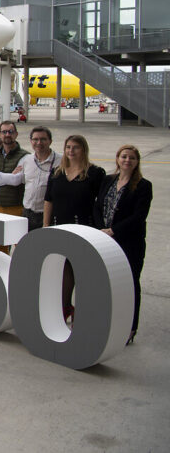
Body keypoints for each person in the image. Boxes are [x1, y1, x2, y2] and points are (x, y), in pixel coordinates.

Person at [44, 134, 106, 323]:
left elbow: (100, 203)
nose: (71, 151)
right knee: (63, 269)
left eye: (76, 147)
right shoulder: (57, 172)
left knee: (81, 269)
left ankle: (83, 308)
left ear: (83, 150)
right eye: (68, 147)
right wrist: (46, 225)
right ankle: (64, 306)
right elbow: (48, 200)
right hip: (59, 224)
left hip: (83, 227)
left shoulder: (95, 173)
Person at [94, 144, 151, 344]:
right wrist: (101, 228)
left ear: (137, 162)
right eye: (124, 157)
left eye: (132, 158)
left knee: (131, 283)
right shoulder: (108, 180)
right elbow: (97, 206)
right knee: (107, 283)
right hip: (105, 239)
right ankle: (108, 323)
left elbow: (139, 216)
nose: (127, 161)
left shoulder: (143, 185)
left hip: (129, 242)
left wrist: (114, 230)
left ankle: (130, 328)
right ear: (118, 159)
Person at [0, 121, 29, 217]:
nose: (7, 134)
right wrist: (10, 176)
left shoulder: (26, 156)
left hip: (15, 209)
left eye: (10, 132)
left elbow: (16, 180)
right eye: (4, 132)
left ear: (16, 134)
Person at [21, 126, 60, 231]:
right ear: (31, 141)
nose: (39, 143)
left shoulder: (61, 162)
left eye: (43, 139)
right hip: (28, 214)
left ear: (50, 141)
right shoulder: (27, 160)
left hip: (48, 215)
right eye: (35, 139)